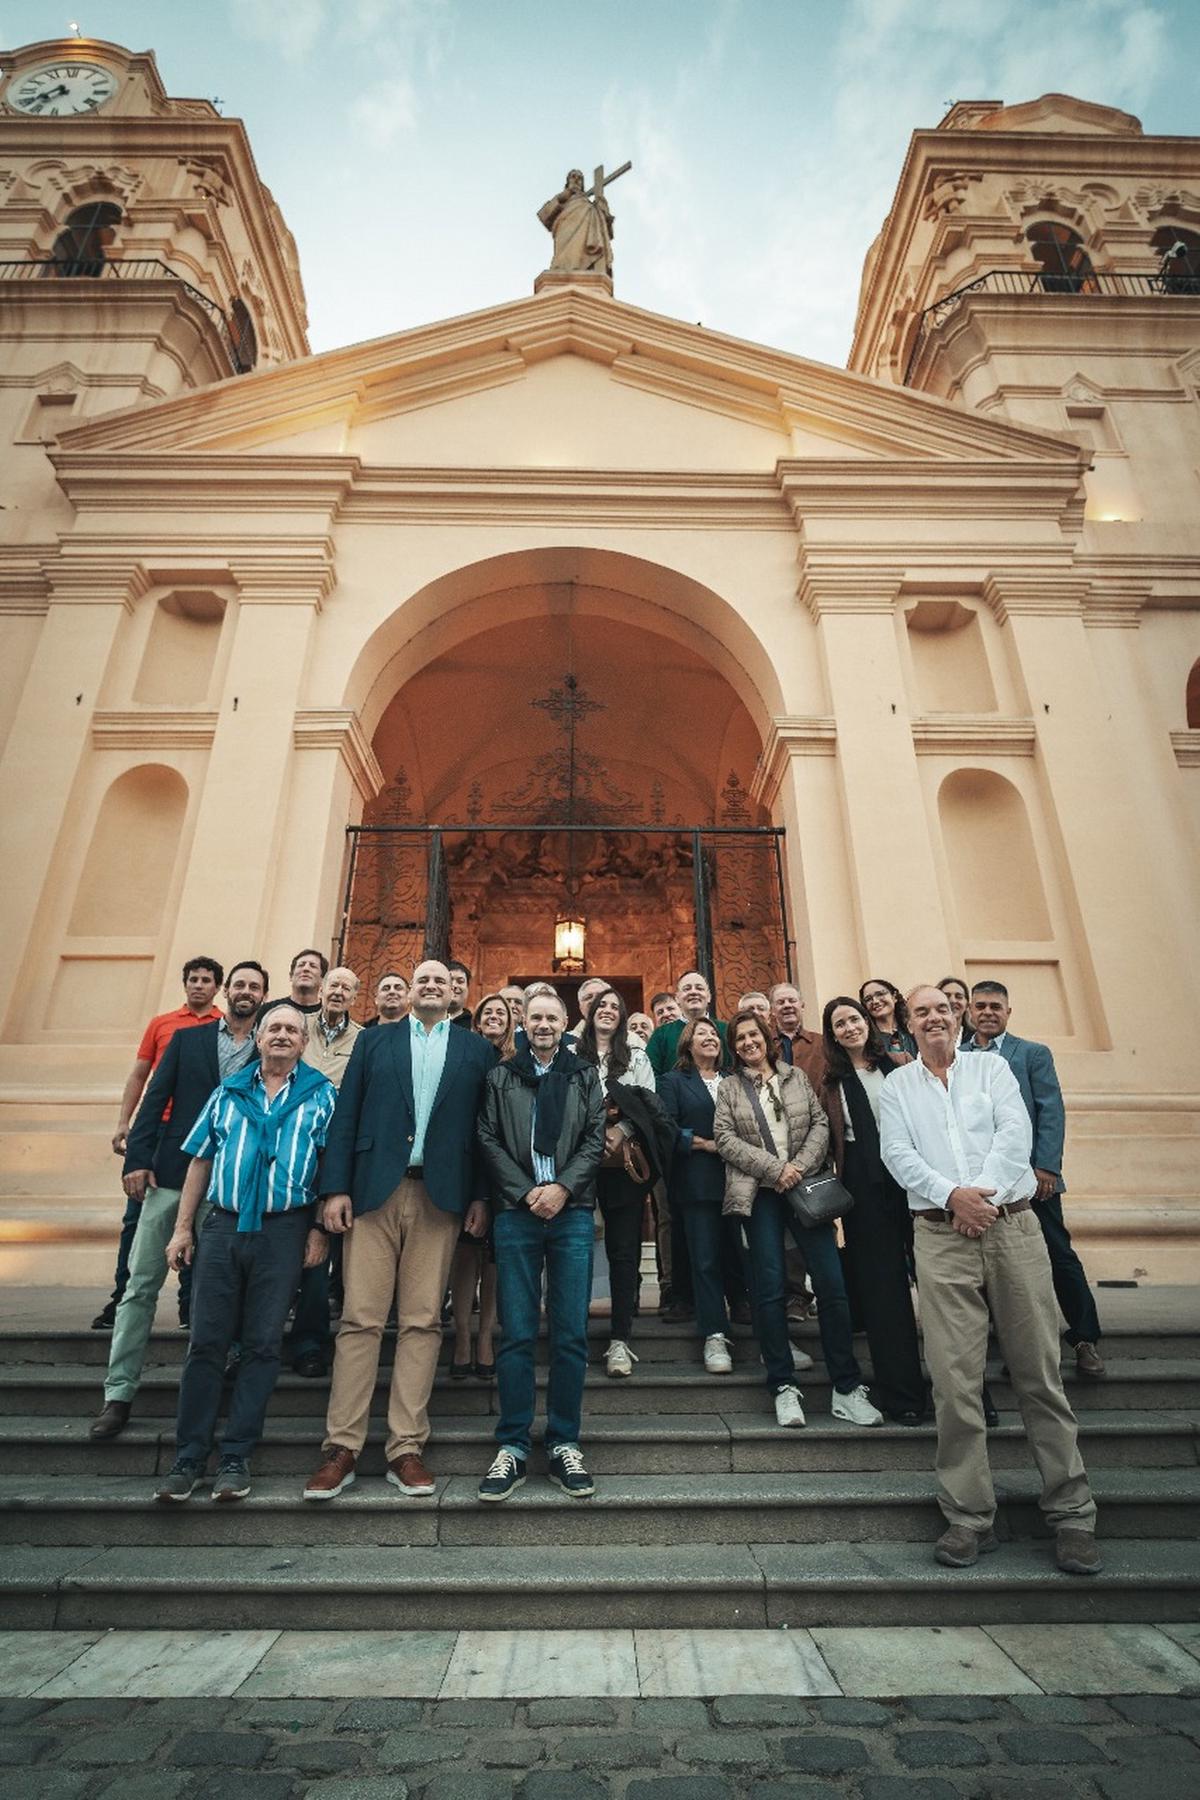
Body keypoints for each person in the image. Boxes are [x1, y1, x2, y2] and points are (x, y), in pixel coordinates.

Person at [879, 985, 1100, 1575]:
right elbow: (897, 1154)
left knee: (1039, 1374)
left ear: (958, 1017)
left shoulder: (993, 1069)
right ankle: (968, 1517)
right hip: (939, 1235)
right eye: (920, 1011)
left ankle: (1072, 1514)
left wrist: (984, 1198)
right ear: (908, 1023)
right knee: (954, 1381)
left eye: (942, 1010)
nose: (934, 1018)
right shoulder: (896, 1087)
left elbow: (1015, 1138)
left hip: (1012, 1230)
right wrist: (953, 1197)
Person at [301, 960, 494, 1503]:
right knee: (360, 1318)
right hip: (371, 1193)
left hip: (441, 1197)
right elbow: (347, 1115)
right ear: (409, 991)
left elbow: (484, 1131)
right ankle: (340, 1447)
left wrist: (480, 1195)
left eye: (440, 980)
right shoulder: (374, 1043)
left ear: (456, 993)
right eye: (422, 979)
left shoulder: (475, 1050)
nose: (430, 986)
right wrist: (333, 1189)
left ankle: (405, 1447)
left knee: (422, 1321)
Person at [155, 1002, 335, 1502]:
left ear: (303, 1042)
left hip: (285, 1231)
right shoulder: (227, 1093)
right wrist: (182, 1229)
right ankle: (188, 1457)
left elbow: (329, 1167)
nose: (281, 1035)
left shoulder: (322, 1097)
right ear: (258, 1038)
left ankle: (236, 1454)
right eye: (273, 1028)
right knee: (207, 1342)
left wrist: (320, 1231)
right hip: (223, 1229)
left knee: (262, 1344)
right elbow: (199, 1162)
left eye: (291, 1030)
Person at [88, 961, 267, 1441]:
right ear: (227, 991)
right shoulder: (188, 1041)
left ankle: (203, 1393)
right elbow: (154, 1098)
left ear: (265, 996)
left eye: (256, 986)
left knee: (217, 1292)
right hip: (169, 1174)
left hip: (229, 1187)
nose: (246, 992)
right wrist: (136, 1161)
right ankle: (118, 1393)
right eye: (241, 984)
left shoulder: (268, 1048)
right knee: (141, 1285)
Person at [715, 1010, 883, 1431]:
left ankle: (846, 1387)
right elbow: (724, 1139)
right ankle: (783, 1386)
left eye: (754, 1035)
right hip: (762, 1194)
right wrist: (776, 1170)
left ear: (767, 1038)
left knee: (831, 1284)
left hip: (807, 1188)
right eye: (740, 1039)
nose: (748, 1043)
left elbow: (821, 1125)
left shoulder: (795, 1077)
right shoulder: (730, 1088)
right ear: (734, 1047)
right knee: (769, 1288)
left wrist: (798, 1167)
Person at [475, 990, 605, 1501]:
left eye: (553, 1017)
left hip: (570, 1211)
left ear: (566, 1022)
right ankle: (512, 1444)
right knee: (518, 1333)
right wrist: (526, 1191)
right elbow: (487, 1137)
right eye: (536, 1018)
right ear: (523, 1024)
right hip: (517, 1212)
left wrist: (563, 1187)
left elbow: (596, 1136)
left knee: (571, 1332)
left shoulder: (585, 1075)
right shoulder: (500, 1076)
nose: (545, 1024)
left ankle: (564, 1441)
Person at [965, 980, 1104, 1378]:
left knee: (1059, 1257)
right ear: (970, 1013)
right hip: (986, 1186)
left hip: (1033, 1180)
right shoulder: (958, 1057)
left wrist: (1047, 1166)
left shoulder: (1030, 1054)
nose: (988, 1012)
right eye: (981, 1006)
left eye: (996, 1006)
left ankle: (1084, 1338)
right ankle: (1016, 1349)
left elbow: (1050, 1110)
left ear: (1008, 1012)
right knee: (1000, 1268)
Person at [96, 955, 225, 1331]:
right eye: (193, 979)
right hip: (159, 1133)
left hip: (198, 1136)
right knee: (136, 1220)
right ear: (185, 984)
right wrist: (125, 1122)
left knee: (200, 1219)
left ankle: (189, 1304)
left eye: (206, 980)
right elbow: (141, 1076)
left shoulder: (223, 1027)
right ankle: (120, 1298)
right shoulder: (162, 1024)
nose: (199, 985)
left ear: (217, 987)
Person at [820, 996, 925, 1423]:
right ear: (832, 1035)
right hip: (863, 1183)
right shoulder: (830, 1082)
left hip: (915, 1178)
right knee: (885, 1296)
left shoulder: (900, 1067)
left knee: (940, 1287)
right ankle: (903, 1396)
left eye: (854, 1019)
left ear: (867, 1022)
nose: (849, 1028)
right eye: (839, 1024)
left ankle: (972, 1396)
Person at [576, 986, 670, 1378]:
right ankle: (573, 1335)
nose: (608, 1011)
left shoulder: (635, 1056)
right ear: (590, 1012)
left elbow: (650, 1104)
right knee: (575, 1247)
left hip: (621, 1162)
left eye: (616, 1007)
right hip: (577, 1163)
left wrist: (623, 1128)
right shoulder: (570, 1055)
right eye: (602, 1005)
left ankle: (619, 1338)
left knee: (624, 1249)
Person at [291, 966, 363, 1376]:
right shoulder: (294, 1028)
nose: (338, 992)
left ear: (356, 997)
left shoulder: (363, 1040)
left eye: (346, 988)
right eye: (333, 985)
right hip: (289, 1146)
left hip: (334, 1150)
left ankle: (309, 1340)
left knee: (320, 1247)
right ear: (321, 989)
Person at [658, 1019, 736, 1373]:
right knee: (705, 1260)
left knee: (750, 1258)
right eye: (701, 1034)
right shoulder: (674, 1082)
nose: (710, 1038)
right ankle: (715, 1334)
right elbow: (667, 1129)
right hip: (699, 1183)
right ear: (687, 1045)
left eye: (713, 1034)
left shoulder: (736, 1080)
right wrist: (707, 1144)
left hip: (744, 1182)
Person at [447, 994, 515, 1382]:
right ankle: (461, 1334)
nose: (492, 1017)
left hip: (503, 1167)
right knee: (465, 1252)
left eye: (500, 1013)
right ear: (478, 1021)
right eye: (487, 1012)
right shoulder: (465, 1055)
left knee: (493, 1258)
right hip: (464, 1160)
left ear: (509, 1023)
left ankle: (486, 1335)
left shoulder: (516, 1062)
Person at [645, 972, 726, 1077]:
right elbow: (649, 1075)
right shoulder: (661, 1034)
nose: (693, 992)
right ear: (677, 998)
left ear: (709, 996)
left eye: (699, 988)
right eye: (687, 989)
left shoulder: (725, 1030)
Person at [538, 167, 614, 277]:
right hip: (564, 232)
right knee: (564, 260)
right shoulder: (562, 200)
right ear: (568, 181)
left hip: (585, 234)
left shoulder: (589, 205)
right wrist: (561, 197)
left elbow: (606, 227)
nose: (577, 180)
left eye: (580, 178)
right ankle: (562, 270)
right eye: (573, 177)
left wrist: (601, 205)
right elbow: (544, 216)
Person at [860, 978, 917, 1057]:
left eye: (880, 994)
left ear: (894, 997)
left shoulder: (913, 1028)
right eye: (868, 999)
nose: (875, 1001)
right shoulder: (866, 1039)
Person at [289, 949, 328, 1016]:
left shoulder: (326, 1016)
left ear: (323, 979)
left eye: (313, 966)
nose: (306, 969)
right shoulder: (270, 1010)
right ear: (291, 976)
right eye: (301, 965)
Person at [571, 975, 610, 1040]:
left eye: (599, 996)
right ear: (581, 1007)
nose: (594, 1000)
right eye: (588, 997)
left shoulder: (629, 1039)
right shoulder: (567, 1040)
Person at [938, 976, 973, 1045]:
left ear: (967, 1005)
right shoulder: (922, 1036)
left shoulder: (977, 1038)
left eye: (959, 997)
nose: (953, 1001)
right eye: (946, 996)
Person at [446, 959, 472, 1028]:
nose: (454, 985)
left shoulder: (475, 1025)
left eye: (460, 981)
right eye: (449, 981)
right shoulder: (427, 1021)